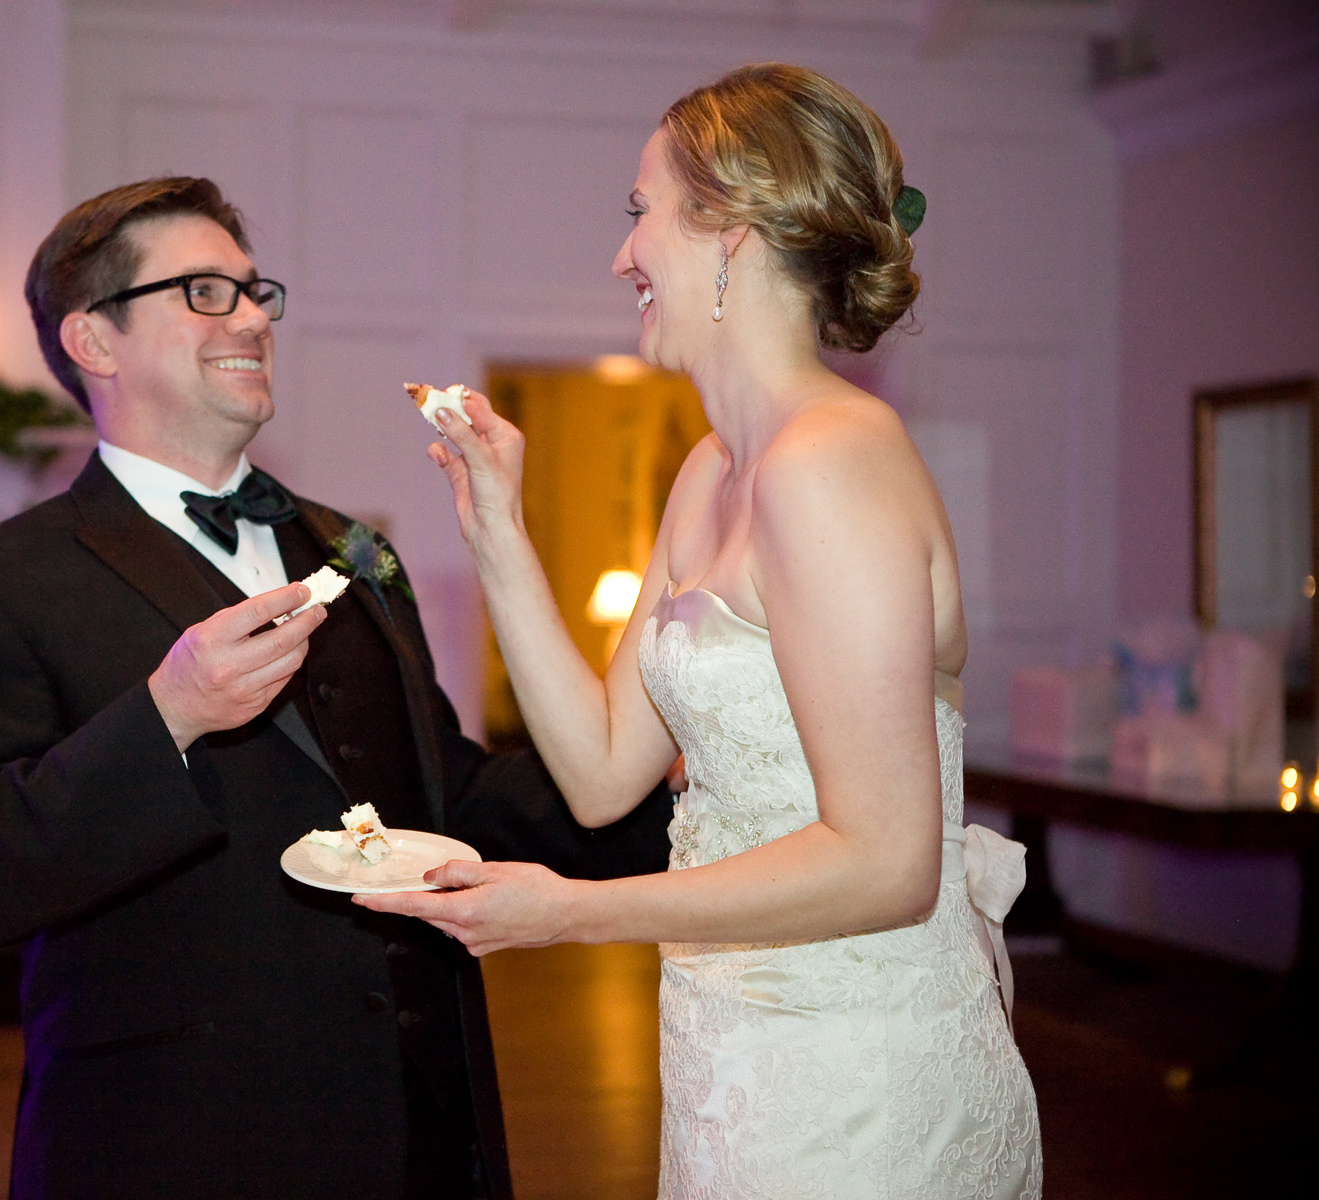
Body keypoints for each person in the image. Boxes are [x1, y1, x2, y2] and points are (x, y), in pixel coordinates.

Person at [0, 176, 672, 1199]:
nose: (254, 318)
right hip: (179, 1148)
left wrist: (682, 791)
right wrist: (167, 717)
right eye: (204, 292)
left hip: (418, 1129)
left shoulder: (350, 548)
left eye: (256, 291)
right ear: (93, 339)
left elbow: (447, 796)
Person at [358, 64, 1044, 1198]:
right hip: (734, 1055)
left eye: (641, 212)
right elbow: (599, 775)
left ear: (730, 230)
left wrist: (570, 914)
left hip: (856, 1080)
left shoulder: (830, 463)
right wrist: (496, 530)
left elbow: (888, 863)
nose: (621, 256)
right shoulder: (711, 470)